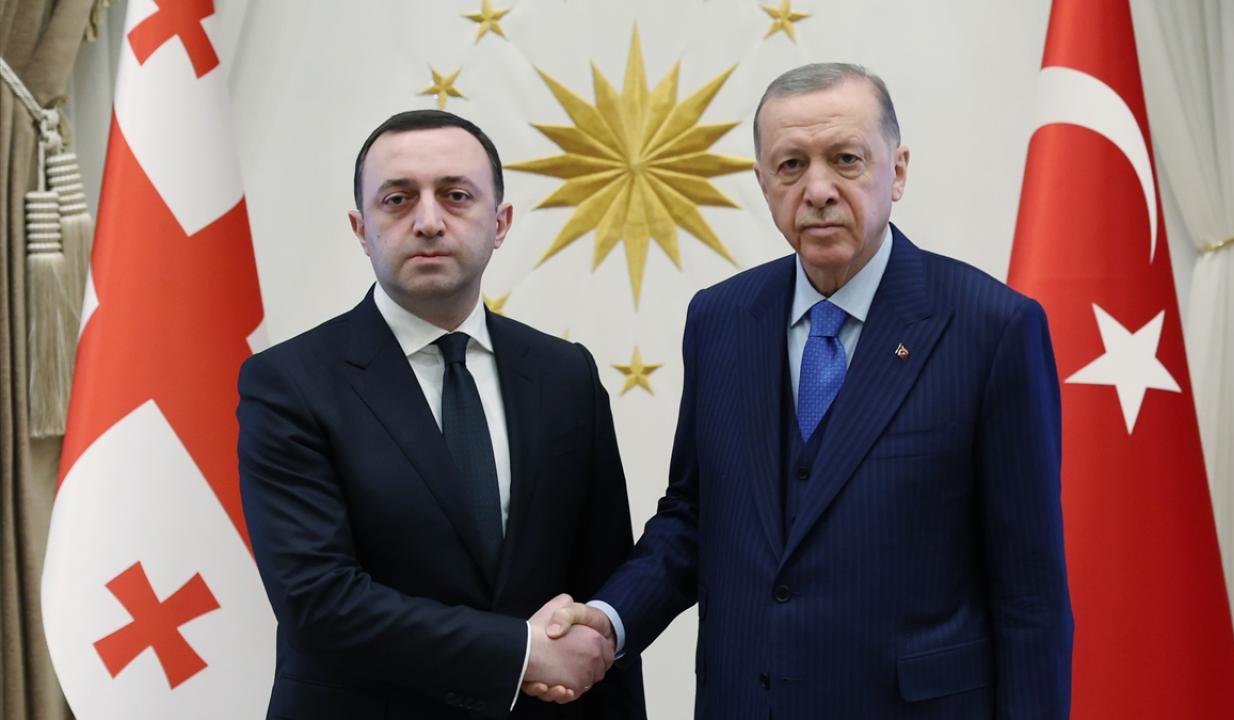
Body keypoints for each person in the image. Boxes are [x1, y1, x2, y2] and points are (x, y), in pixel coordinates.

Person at [531, 63, 1073, 718]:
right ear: (763, 183)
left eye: (846, 160)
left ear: (897, 171)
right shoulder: (720, 319)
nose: (817, 190)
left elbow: (1030, 596)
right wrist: (609, 620)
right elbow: (694, 517)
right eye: (791, 166)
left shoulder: (992, 328)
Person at [237, 109, 645, 720]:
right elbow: (318, 600)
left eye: (456, 196)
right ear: (361, 228)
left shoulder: (565, 376)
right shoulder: (288, 383)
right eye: (397, 199)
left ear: (500, 223)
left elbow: (600, 593)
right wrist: (520, 652)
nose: (428, 221)